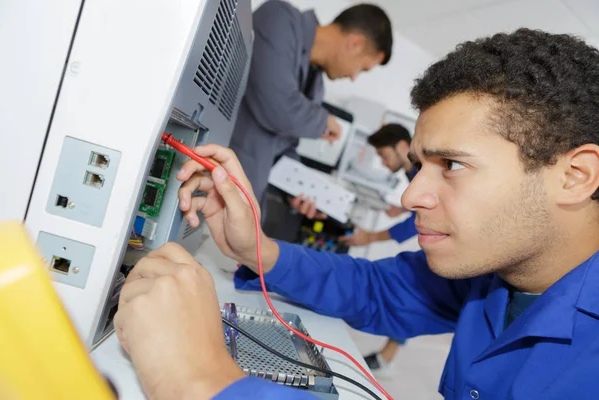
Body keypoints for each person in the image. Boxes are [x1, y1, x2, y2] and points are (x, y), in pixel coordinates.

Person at [115, 29, 599, 399]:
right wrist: (255, 249)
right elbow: (380, 290)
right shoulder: (496, 272)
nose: (411, 198)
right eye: (418, 166)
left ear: (576, 175)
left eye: (452, 164)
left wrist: (201, 379)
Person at [228, 0, 393, 223]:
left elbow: (284, 148)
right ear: (355, 43)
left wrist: (295, 190)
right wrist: (323, 120)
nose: (354, 77)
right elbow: (277, 107)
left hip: (242, 207)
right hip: (211, 179)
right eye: (362, 69)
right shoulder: (280, 19)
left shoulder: (316, 88)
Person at [339, 123, 418, 375]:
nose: (383, 163)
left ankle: (386, 359)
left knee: (411, 289)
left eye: (384, 155)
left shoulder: (419, 169)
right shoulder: (411, 172)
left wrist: (370, 237)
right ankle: (386, 357)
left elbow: (416, 223)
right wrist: (404, 207)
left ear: (403, 147)